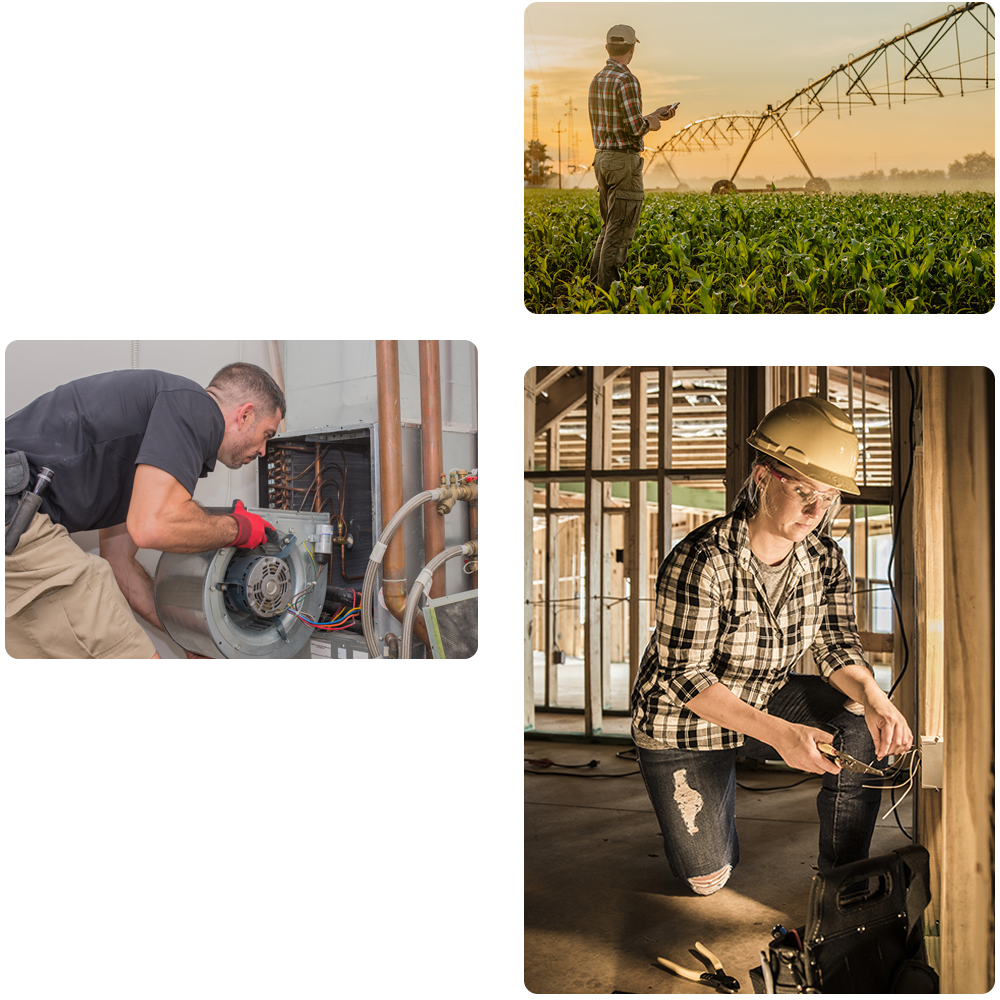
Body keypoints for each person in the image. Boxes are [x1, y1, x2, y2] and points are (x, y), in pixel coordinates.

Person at [631, 396, 913, 896]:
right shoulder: (702, 559)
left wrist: (875, 697)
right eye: (804, 490)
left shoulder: (825, 558)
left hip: (764, 693)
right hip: (684, 720)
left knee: (858, 723)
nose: (814, 510)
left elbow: (835, 644)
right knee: (707, 878)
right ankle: (708, 796)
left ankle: (841, 877)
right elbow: (685, 678)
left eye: (827, 497)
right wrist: (782, 735)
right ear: (763, 477)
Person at [4, 362, 284, 661]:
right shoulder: (196, 406)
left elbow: (119, 563)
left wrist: (187, 638)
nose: (263, 451)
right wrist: (239, 529)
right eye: (267, 434)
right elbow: (153, 526)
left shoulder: (152, 436)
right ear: (245, 414)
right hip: (17, 516)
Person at [587, 24, 677, 290]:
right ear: (632, 48)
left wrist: (649, 115)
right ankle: (608, 295)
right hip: (623, 162)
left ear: (607, 48)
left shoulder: (598, 79)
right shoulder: (627, 80)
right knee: (621, 229)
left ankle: (594, 289)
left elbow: (618, 121)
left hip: (602, 159)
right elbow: (634, 128)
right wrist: (652, 123)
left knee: (609, 227)